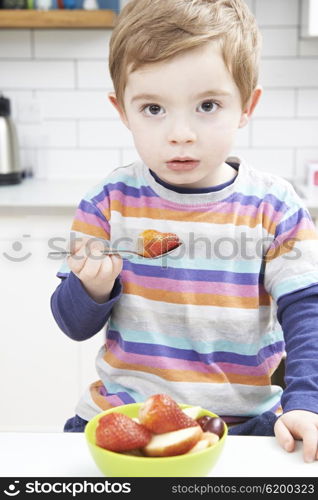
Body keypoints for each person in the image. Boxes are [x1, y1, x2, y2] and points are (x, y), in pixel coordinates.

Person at [51, 0, 318, 462]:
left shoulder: (275, 207)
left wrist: (307, 402)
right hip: (125, 423)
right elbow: (74, 325)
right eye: (153, 108)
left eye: (207, 105)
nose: (181, 133)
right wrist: (91, 289)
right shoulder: (107, 202)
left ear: (246, 106)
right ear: (122, 111)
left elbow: (307, 311)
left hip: (246, 430)